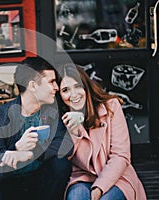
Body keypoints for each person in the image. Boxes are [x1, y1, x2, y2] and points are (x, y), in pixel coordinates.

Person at [0, 56, 73, 200]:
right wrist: (16, 149)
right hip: (8, 185)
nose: (56, 87)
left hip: (38, 182)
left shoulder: (52, 112)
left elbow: (66, 144)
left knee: (61, 165)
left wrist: (32, 153)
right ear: (33, 86)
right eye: (51, 82)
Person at [57, 64, 147, 200]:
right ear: (60, 95)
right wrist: (74, 133)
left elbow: (121, 155)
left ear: (86, 86)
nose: (73, 95)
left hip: (117, 176)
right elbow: (63, 158)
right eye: (65, 90)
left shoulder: (111, 107)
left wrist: (99, 188)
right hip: (83, 176)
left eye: (77, 86)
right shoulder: (61, 117)